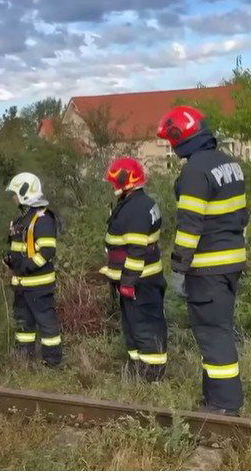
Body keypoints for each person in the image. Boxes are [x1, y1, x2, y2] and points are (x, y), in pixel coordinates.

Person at [158, 105, 248, 415]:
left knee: (212, 333)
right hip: (231, 263)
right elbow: (241, 216)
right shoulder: (229, 164)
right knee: (219, 329)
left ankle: (224, 406)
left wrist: (179, 269)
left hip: (208, 267)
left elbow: (189, 226)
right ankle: (216, 400)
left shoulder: (195, 171)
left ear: (181, 138)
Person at [100, 157, 167, 382]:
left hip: (140, 282)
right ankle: (138, 372)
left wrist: (128, 282)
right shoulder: (138, 203)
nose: (113, 187)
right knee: (134, 329)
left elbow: (137, 250)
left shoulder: (136, 209)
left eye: (115, 182)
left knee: (145, 328)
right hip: (139, 280)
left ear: (126, 181)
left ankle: (151, 377)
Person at [3, 172, 62, 367]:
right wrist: (11, 261)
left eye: (14, 193)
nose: (12, 198)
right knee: (23, 325)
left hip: (38, 285)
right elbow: (20, 248)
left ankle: (52, 362)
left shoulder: (42, 218)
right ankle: (24, 359)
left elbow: (47, 251)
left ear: (24, 192)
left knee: (47, 324)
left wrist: (25, 266)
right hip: (21, 285)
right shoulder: (23, 218)